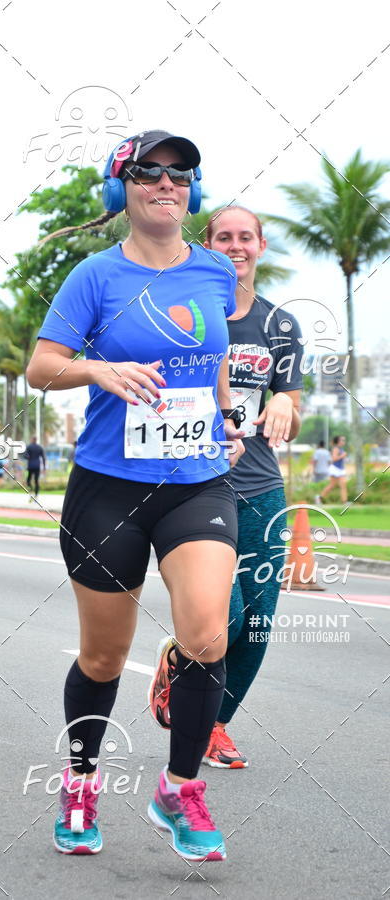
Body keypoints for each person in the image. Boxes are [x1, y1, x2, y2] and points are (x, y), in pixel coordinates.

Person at [27, 130, 245, 860]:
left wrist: (228, 417)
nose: (166, 183)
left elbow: (211, 363)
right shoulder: (94, 276)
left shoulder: (216, 273)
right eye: (148, 172)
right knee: (103, 657)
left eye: (180, 173)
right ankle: (82, 781)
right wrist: (97, 372)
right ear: (122, 187)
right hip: (109, 488)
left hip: (196, 481)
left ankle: (178, 789)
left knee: (209, 633)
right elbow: (41, 366)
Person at [149, 206, 303, 768]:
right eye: (224, 237)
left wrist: (285, 401)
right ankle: (178, 658)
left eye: (246, 237)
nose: (236, 246)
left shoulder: (279, 325)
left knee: (257, 623)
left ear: (260, 244)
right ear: (208, 244)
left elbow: (291, 400)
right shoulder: (189, 312)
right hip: (200, 484)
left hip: (261, 489)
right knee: (226, 617)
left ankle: (214, 723)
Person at [318, 435, 348, 504]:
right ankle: (320, 498)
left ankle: (344, 502)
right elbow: (334, 459)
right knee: (332, 485)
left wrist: (343, 457)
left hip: (341, 469)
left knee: (343, 485)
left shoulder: (341, 449)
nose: (344, 442)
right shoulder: (336, 449)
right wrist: (342, 456)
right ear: (338, 441)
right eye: (342, 440)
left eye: (344, 440)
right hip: (335, 469)